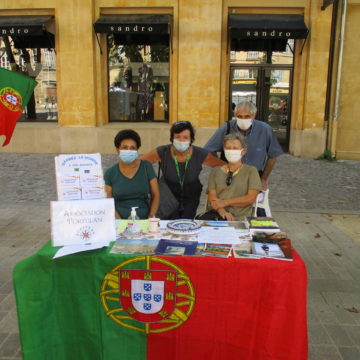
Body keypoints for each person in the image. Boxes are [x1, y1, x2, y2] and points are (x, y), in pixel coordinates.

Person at [140, 121, 224, 219]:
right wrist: (151, 181)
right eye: (178, 137)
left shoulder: (200, 154)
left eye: (185, 137)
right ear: (172, 138)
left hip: (190, 200)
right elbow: (138, 164)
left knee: (185, 227)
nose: (181, 140)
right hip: (167, 199)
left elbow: (222, 166)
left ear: (191, 139)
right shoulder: (162, 152)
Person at [204, 101, 283, 190]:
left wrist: (263, 179)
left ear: (254, 115)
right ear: (235, 115)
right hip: (230, 175)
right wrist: (222, 166)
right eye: (239, 116)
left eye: (247, 116)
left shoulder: (265, 130)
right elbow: (208, 150)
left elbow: (273, 155)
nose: (243, 119)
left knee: (251, 202)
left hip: (254, 176)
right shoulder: (227, 128)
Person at [104, 129, 160, 219]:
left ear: (137, 150)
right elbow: (108, 202)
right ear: (117, 150)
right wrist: (120, 223)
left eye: (132, 148)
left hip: (145, 220)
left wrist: (151, 217)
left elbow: (156, 195)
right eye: (125, 147)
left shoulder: (146, 167)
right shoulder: (110, 173)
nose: (128, 150)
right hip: (119, 221)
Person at [206, 133, 262, 221]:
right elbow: (212, 197)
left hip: (241, 218)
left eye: (235, 148)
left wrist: (225, 202)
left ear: (243, 151)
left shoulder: (251, 171)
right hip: (218, 217)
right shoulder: (215, 171)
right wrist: (223, 212)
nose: (231, 151)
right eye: (228, 148)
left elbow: (251, 198)